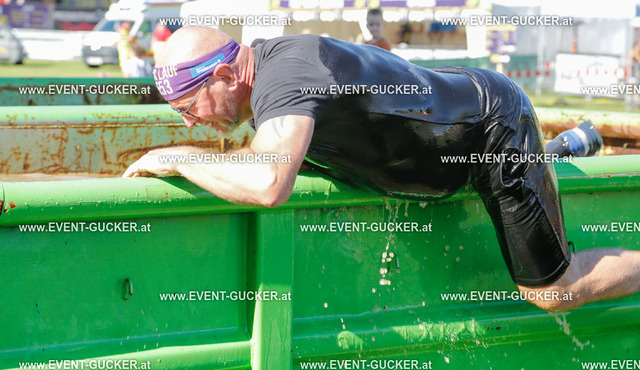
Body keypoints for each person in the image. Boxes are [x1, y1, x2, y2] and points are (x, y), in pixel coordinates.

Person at [124, 27, 640, 312]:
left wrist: (182, 157)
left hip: (490, 128)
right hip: (443, 140)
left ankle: (543, 155)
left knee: (554, 291)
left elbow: (268, 184)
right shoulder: (271, 82)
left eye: (189, 108)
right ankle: (562, 149)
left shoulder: (286, 78)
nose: (191, 121)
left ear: (224, 74)